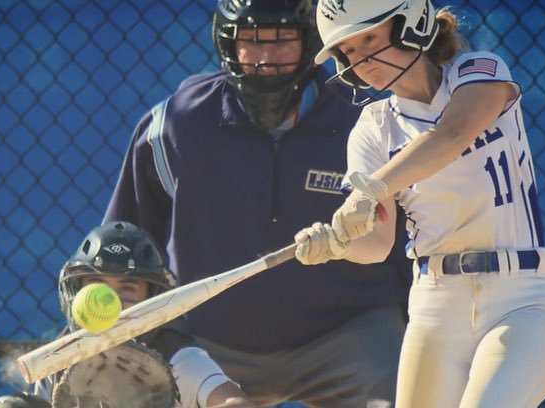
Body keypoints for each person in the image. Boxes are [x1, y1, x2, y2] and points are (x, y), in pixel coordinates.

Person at [104, 0, 413, 406]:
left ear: (311, 42)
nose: (266, 58)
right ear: (227, 43)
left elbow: (413, 243)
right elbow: (126, 243)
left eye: (282, 40)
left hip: (347, 335)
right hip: (208, 342)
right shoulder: (177, 125)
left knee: (409, 390)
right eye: (251, 40)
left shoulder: (367, 121)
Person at [293, 0, 545, 406]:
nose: (360, 59)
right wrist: (337, 244)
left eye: (370, 37)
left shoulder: (478, 72)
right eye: (347, 50)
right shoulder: (372, 129)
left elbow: (450, 136)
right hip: (435, 307)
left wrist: (371, 188)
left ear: (411, 24)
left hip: (521, 299)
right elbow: (376, 243)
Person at [0, 222, 254, 408]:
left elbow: (232, 400)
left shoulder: (175, 352)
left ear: (151, 299)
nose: (112, 304)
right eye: (97, 288)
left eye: (127, 288)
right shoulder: (65, 352)